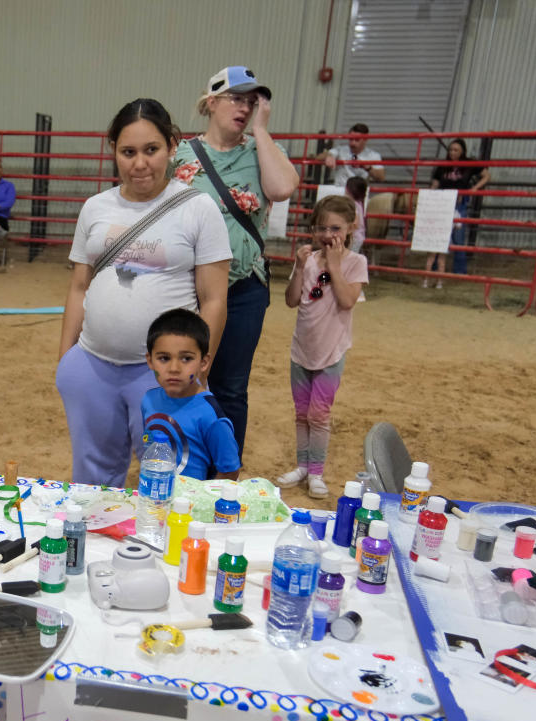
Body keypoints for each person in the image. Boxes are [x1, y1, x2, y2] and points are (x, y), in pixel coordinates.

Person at [56, 98, 231, 487]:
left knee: (171, 475)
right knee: (92, 480)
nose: (140, 163)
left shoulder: (198, 209)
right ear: (113, 152)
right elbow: (79, 286)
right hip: (91, 366)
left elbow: (215, 300)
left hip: (162, 374)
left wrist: (195, 369)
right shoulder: (95, 207)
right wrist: (66, 359)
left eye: (151, 150)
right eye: (128, 152)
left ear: (172, 145)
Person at [174, 65, 300, 460]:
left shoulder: (261, 152)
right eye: (236, 98)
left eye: (252, 101)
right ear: (211, 103)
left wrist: (262, 131)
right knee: (182, 377)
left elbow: (282, 188)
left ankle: (224, 474)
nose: (244, 107)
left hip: (244, 287)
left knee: (230, 386)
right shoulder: (180, 154)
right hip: (186, 286)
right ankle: (181, 461)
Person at [277, 195, 368, 499]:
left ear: (350, 228)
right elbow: (291, 300)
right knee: (301, 413)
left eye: (336, 228)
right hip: (302, 349)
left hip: (331, 352)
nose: (329, 235)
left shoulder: (356, 263)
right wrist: (300, 267)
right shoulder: (308, 260)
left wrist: (336, 265)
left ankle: (316, 472)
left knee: (319, 414)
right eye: (322, 228)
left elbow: (346, 299)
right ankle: (302, 466)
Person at [140, 309, 240, 481]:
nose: (174, 368)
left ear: (203, 362)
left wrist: (203, 501)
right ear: (150, 361)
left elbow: (229, 471)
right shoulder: (148, 400)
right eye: (164, 358)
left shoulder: (210, 416)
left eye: (186, 358)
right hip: (155, 500)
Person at [424, 138, 490, 287]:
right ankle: (435, 270)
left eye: (456, 150)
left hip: (459, 203)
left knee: (458, 236)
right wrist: (430, 197)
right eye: (451, 149)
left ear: (462, 152)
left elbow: (486, 175)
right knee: (439, 236)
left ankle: (459, 270)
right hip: (442, 203)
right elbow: (435, 183)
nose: (452, 153)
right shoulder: (443, 167)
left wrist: (474, 189)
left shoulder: (469, 164)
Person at [318, 123, 385, 189]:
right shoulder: (341, 150)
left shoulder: (373, 155)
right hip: (340, 190)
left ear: (365, 139)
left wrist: (367, 167)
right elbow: (319, 157)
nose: (353, 143)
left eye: (357, 140)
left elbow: (381, 177)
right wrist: (329, 156)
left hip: (359, 192)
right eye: (351, 139)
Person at [345, 177, 368, 253]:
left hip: (354, 237)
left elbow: (355, 223)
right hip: (358, 236)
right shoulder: (359, 203)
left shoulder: (353, 205)